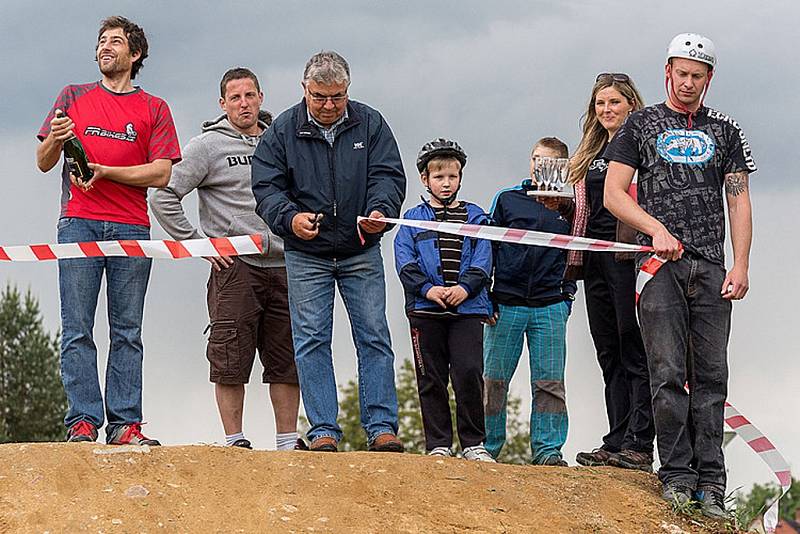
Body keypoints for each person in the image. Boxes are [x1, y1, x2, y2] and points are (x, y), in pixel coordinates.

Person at [604, 34, 755, 519]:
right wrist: (654, 229)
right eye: (681, 73)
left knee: (711, 377)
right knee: (666, 372)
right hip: (658, 267)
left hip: (711, 267)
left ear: (708, 79)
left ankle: (712, 483)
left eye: (697, 75)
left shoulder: (727, 131)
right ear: (666, 72)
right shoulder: (639, 125)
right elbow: (613, 193)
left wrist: (741, 262)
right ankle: (676, 475)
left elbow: (738, 197)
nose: (688, 83)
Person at [251, 51, 406, 453]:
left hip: (360, 250)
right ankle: (323, 430)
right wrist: (289, 219)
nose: (329, 105)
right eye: (320, 97)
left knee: (374, 336)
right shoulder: (281, 130)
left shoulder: (371, 123)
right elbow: (266, 188)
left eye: (337, 97)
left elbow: (388, 175)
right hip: (306, 253)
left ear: (347, 90)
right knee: (310, 340)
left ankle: (382, 427)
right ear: (305, 89)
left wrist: (381, 211)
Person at [35, 16, 180, 446]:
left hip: (131, 226)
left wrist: (107, 172)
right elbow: (43, 162)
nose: (105, 48)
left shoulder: (154, 108)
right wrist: (57, 140)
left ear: (135, 55)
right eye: (101, 41)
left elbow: (162, 173)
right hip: (77, 222)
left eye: (115, 42)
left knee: (127, 331)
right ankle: (82, 420)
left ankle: (124, 425)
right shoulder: (72, 96)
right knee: (77, 327)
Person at [150, 68, 304, 451]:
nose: (244, 104)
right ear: (223, 104)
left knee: (287, 355)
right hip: (235, 265)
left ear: (261, 97)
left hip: (286, 263)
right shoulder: (206, 146)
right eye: (235, 98)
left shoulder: (280, 142)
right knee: (230, 354)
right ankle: (235, 439)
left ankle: (287, 439)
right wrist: (196, 243)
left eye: (250, 95)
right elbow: (162, 195)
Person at [567, 74, 655, 472]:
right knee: (607, 349)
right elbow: (588, 206)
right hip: (592, 256)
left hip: (627, 255)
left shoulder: (642, 143)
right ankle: (616, 438)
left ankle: (640, 442)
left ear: (631, 104)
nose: (607, 110)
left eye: (614, 103)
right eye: (601, 103)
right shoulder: (591, 149)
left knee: (631, 344)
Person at [393, 138, 494, 462]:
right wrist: (427, 289)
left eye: (452, 176)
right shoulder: (412, 218)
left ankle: (473, 443)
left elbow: (483, 257)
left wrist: (466, 288)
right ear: (425, 179)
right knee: (430, 377)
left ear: (460, 177)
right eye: (439, 177)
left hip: (467, 309)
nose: (446, 183)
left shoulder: (476, 216)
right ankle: (438, 443)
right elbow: (405, 261)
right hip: (427, 310)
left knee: (468, 373)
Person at [483, 137, 576, 466]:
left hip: (550, 305)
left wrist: (567, 297)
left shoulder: (571, 204)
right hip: (505, 303)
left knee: (550, 382)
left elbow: (578, 251)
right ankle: (487, 447)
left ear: (563, 167)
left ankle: (548, 451)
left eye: (549, 161)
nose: (540, 165)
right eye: (536, 158)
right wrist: (484, 298)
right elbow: (488, 247)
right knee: (493, 381)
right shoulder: (508, 199)